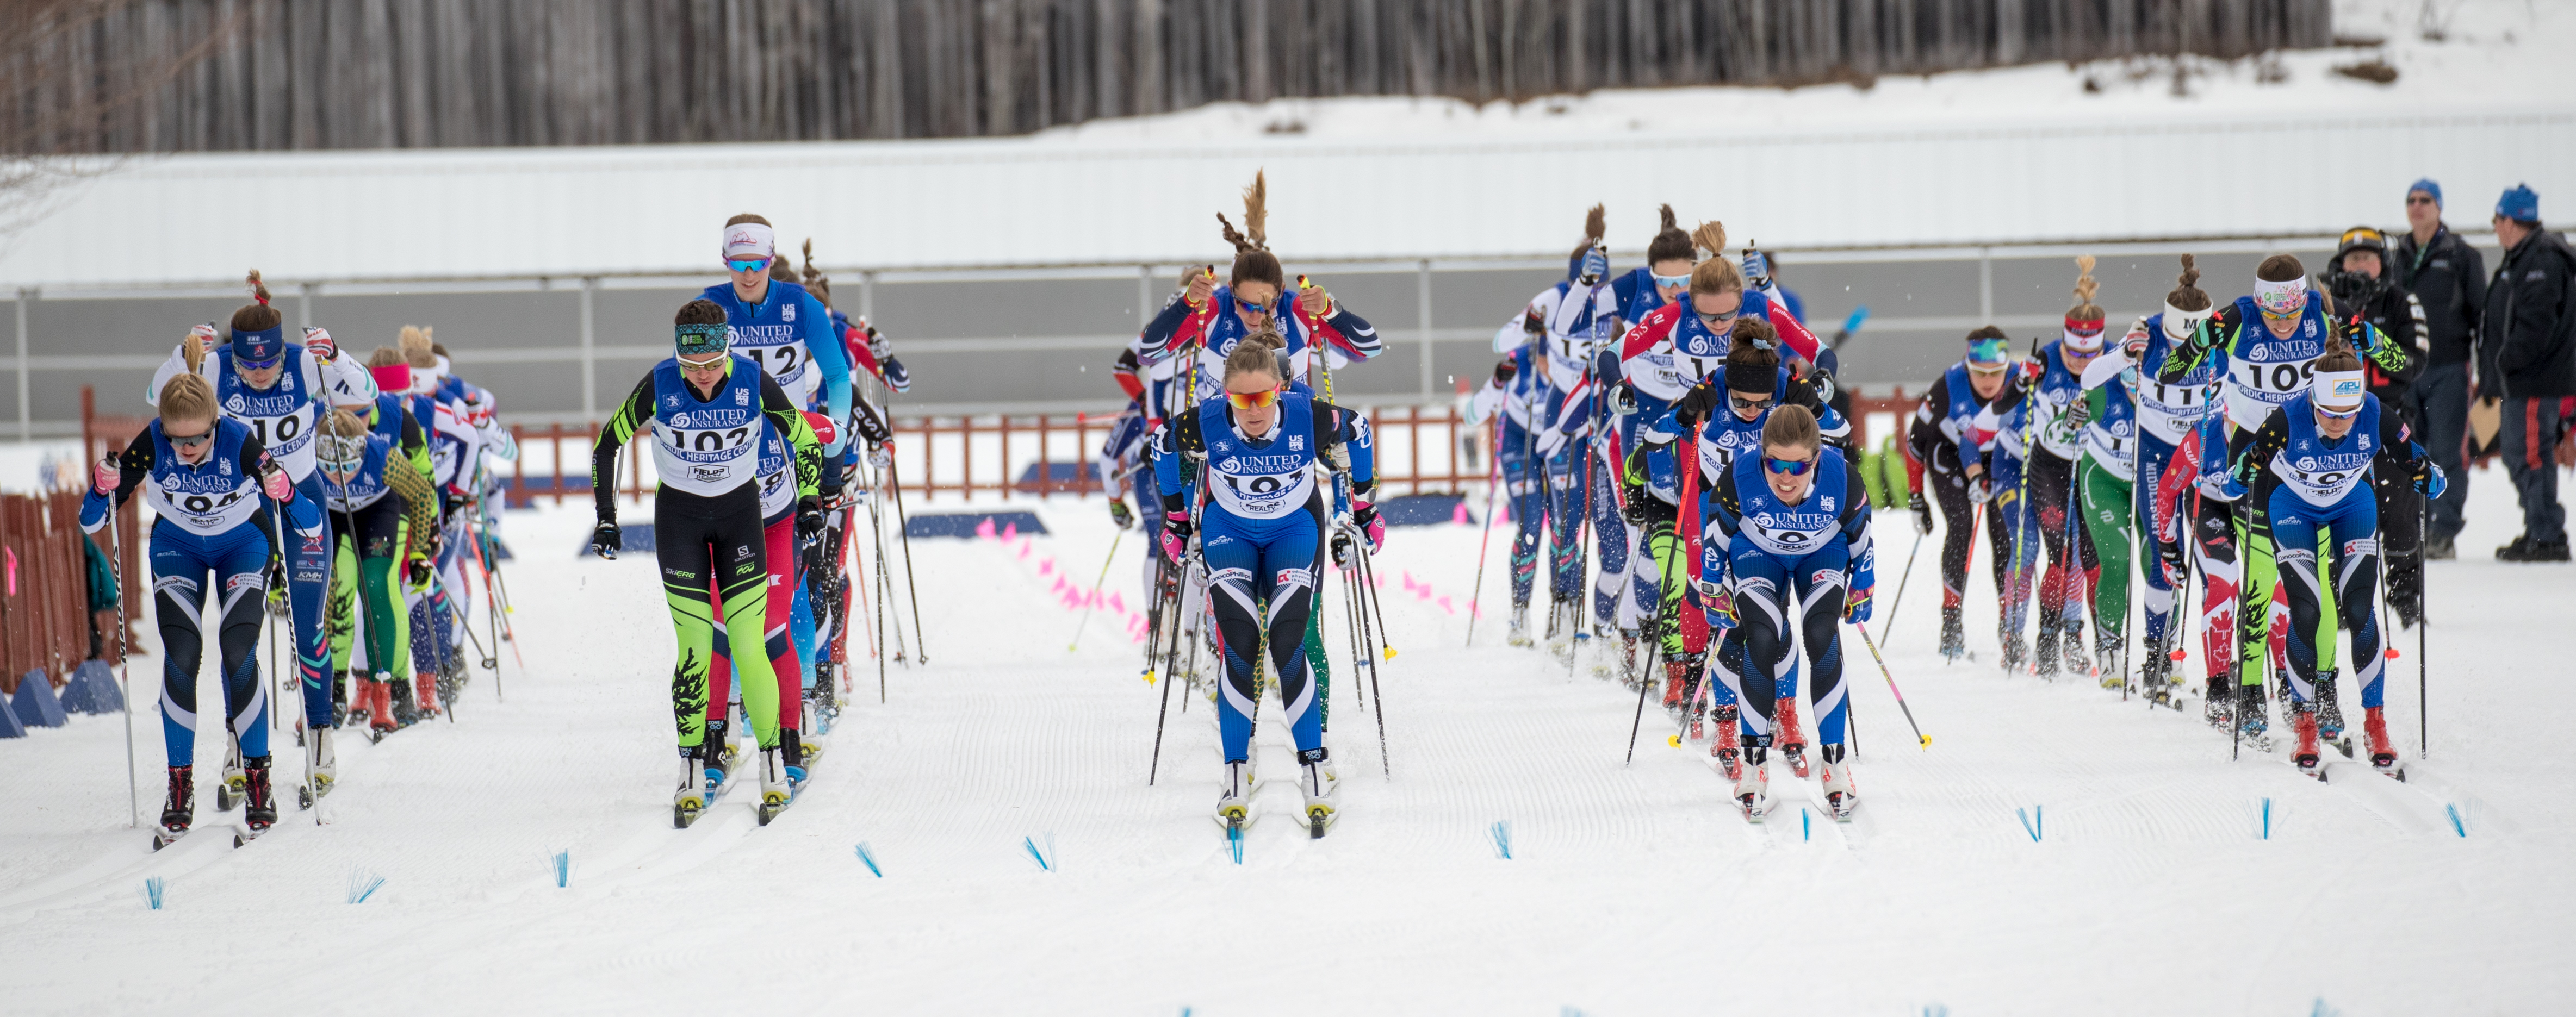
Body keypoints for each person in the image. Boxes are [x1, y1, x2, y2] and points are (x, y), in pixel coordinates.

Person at [590, 299, 824, 827]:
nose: (701, 378)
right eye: (691, 367)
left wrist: (809, 500)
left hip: (742, 515)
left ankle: (771, 763)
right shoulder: (660, 382)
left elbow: (804, 438)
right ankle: (692, 765)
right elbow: (609, 441)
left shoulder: (751, 378)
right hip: (680, 520)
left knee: (750, 641)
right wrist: (607, 517)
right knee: (695, 647)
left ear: (727, 352)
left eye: (712, 365)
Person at [2158, 253, 2410, 739]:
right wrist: (2199, 344)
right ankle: (2251, 689)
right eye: (2273, 314)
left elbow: (2401, 364)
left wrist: (2371, 339)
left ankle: (2324, 687)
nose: (2283, 323)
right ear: (2259, 304)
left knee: (2320, 580)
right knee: (2259, 579)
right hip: (2253, 458)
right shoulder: (2238, 319)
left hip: (2307, 456)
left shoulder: (2320, 313)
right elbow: (2171, 372)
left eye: (2290, 314)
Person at [85, 370, 324, 844]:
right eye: (178, 439)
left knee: (237, 650)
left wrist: (288, 493)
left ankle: (258, 778)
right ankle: (180, 785)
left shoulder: (238, 441)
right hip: (178, 547)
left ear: (215, 424)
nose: (187, 447)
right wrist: (100, 487)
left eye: (198, 438)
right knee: (181, 654)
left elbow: (312, 527)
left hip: (243, 543)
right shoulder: (153, 441)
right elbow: (93, 519)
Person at [1154, 342, 1375, 835]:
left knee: (1288, 640)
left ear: (1279, 389)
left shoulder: (1304, 415)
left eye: (1263, 398)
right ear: (1226, 396)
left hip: (1292, 531)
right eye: (1240, 400)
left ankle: (1313, 766)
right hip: (1228, 532)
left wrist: (1365, 507)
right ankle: (1235, 770)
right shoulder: (1208, 420)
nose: (1253, 411)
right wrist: (1174, 518)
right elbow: (1162, 445)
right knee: (1241, 643)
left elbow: (1359, 428)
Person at [146, 274, 339, 778]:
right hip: (245, 510)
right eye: (247, 362)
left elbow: (367, 389)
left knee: (308, 622)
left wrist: (335, 356)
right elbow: (157, 398)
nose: (257, 371)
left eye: (267, 361)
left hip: (298, 498)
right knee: (241, 638)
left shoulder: (300, 363)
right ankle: (239, 737)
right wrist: (181, 356)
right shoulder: (213, 366)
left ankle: (319, 732)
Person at [2223, 334, 2441, 776]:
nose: (2338, 422)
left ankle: (2375, 723)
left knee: (2359, 606)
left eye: (2348, 414)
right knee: (2307, 610)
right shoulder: (2287, 418)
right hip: (2292, 506)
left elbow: (2415, 459)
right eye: (2328, 413)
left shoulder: (2375, 412)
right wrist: (2240, 474)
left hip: (2349, 504)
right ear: (2313, 402)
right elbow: (2241, 471)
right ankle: (2304, 721)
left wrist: (2427, 476)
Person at [1650, 327, 1842, 778]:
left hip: (1769, 512)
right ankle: (1725, 719)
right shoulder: (1712, 390)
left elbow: (1840, 428)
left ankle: (1785, 711)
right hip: (1715, 510)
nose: (1754, 411)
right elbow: (1656, 436)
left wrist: (1812, 402)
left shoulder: (1783, 387)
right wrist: (1684, 411)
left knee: (1770, 615)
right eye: (1743, 403)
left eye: (1762, 404)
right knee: (1720, 613)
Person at [1698, 405, 1873, 821]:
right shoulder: (1740, 476)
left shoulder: (1841, 477)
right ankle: (1754, 769)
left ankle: (1834, 766)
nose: (1786, 475)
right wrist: (1711, 589)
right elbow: (1714, 535)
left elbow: (1861, 535)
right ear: (1762, 455)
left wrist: (1863, 586)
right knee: (1761, 637)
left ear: (1816, 457)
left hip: (1821, 552)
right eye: (1774, 462)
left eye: (1799, 465)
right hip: (1757, 552)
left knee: (1820, 634)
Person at [312, 409, 439, 751]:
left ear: (361, 453)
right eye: (331, 469)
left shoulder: (383, 456)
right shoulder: (306, 453)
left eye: (349, 467)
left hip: (376, 513)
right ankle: (323, 693)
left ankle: (383, 699)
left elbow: (423, 494)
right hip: (329, 516)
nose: (340, 476)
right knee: (327, 590)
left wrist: (420, 552)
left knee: (376, 584)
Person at [2322, 227, 2431, 623]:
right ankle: (2337, 602)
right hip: (2332, 426)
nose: (2360, 266)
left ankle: (2405, 597)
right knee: (2340, 514)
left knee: (2399, 515)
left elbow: (2415, 363)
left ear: (2382, 263)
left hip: (2386, 420)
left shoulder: (2402, 300)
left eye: (2368, 258)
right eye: (2353, 259)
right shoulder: (2322, 305)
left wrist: (2373, 343)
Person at [1905, 327, 2020, 661]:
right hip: (1950, 455)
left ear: (2007, 368)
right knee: (1961, 526)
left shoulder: (2020, 381)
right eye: (1980, 373)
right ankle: (1951, 623)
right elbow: (1915, 444)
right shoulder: (1948, 385)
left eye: (1996, 372)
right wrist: (1916, 498)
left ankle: (2009, 621)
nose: (1988, 381)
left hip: (1999, 458)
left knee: (2004, 534)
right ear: (1967, 367)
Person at [2479, 184, 2575, 563]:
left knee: (2530, 453)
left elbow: (2536, 321)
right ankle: (2539, 527)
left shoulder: (2540, 258)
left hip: (2535, 378)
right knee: (2521, 453)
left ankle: (2547, 534)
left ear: (2509, 221)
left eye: (2496, 220)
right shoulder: (2525, 256)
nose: (2495, 229)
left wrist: (2507, 358)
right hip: (2523, 378)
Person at [2394, 179, 2487, 559]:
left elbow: (2480, 315)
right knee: (2410, 450)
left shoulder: (2461, 254)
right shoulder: (2396, 254)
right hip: (2406, 369)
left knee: (2448, 451)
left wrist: (2485, 369)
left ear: (2439, 207)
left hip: (2449, 367)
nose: (2417, 207)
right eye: (2411, 200)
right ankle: (2418, 528)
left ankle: (2443, 531)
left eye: (2425, 200)